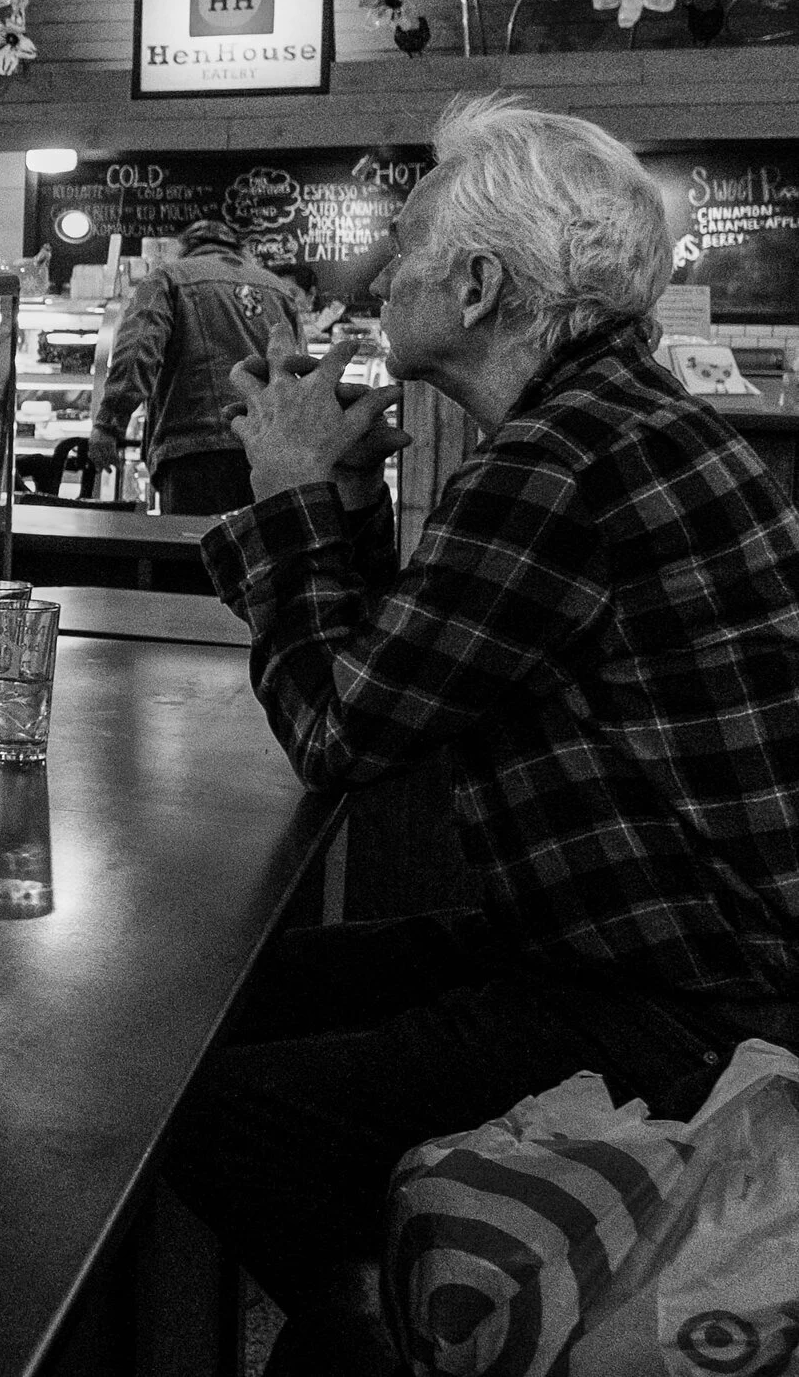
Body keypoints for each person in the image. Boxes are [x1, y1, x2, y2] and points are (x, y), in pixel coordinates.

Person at [161, 94, 799, 1376]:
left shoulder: (554, 460)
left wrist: (287, 492)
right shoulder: (622, 424)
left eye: (403, 246)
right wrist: (337, 497)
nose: (378, 271)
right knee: (235, 996)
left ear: (478, 282)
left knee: (224, 1107)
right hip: (648, 945)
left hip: (694, 999)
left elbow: (343, 726)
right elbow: (412, 658)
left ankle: (389, 1346)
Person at [89, 218, 303, 516]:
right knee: (258, 556)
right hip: (271, 450)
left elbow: (137, 351)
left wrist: (108, 425)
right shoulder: (279, 289)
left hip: (195, 450)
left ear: (185, 247)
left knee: (193, 554)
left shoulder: (169, 277)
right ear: (239, 248)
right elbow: (297, 368)